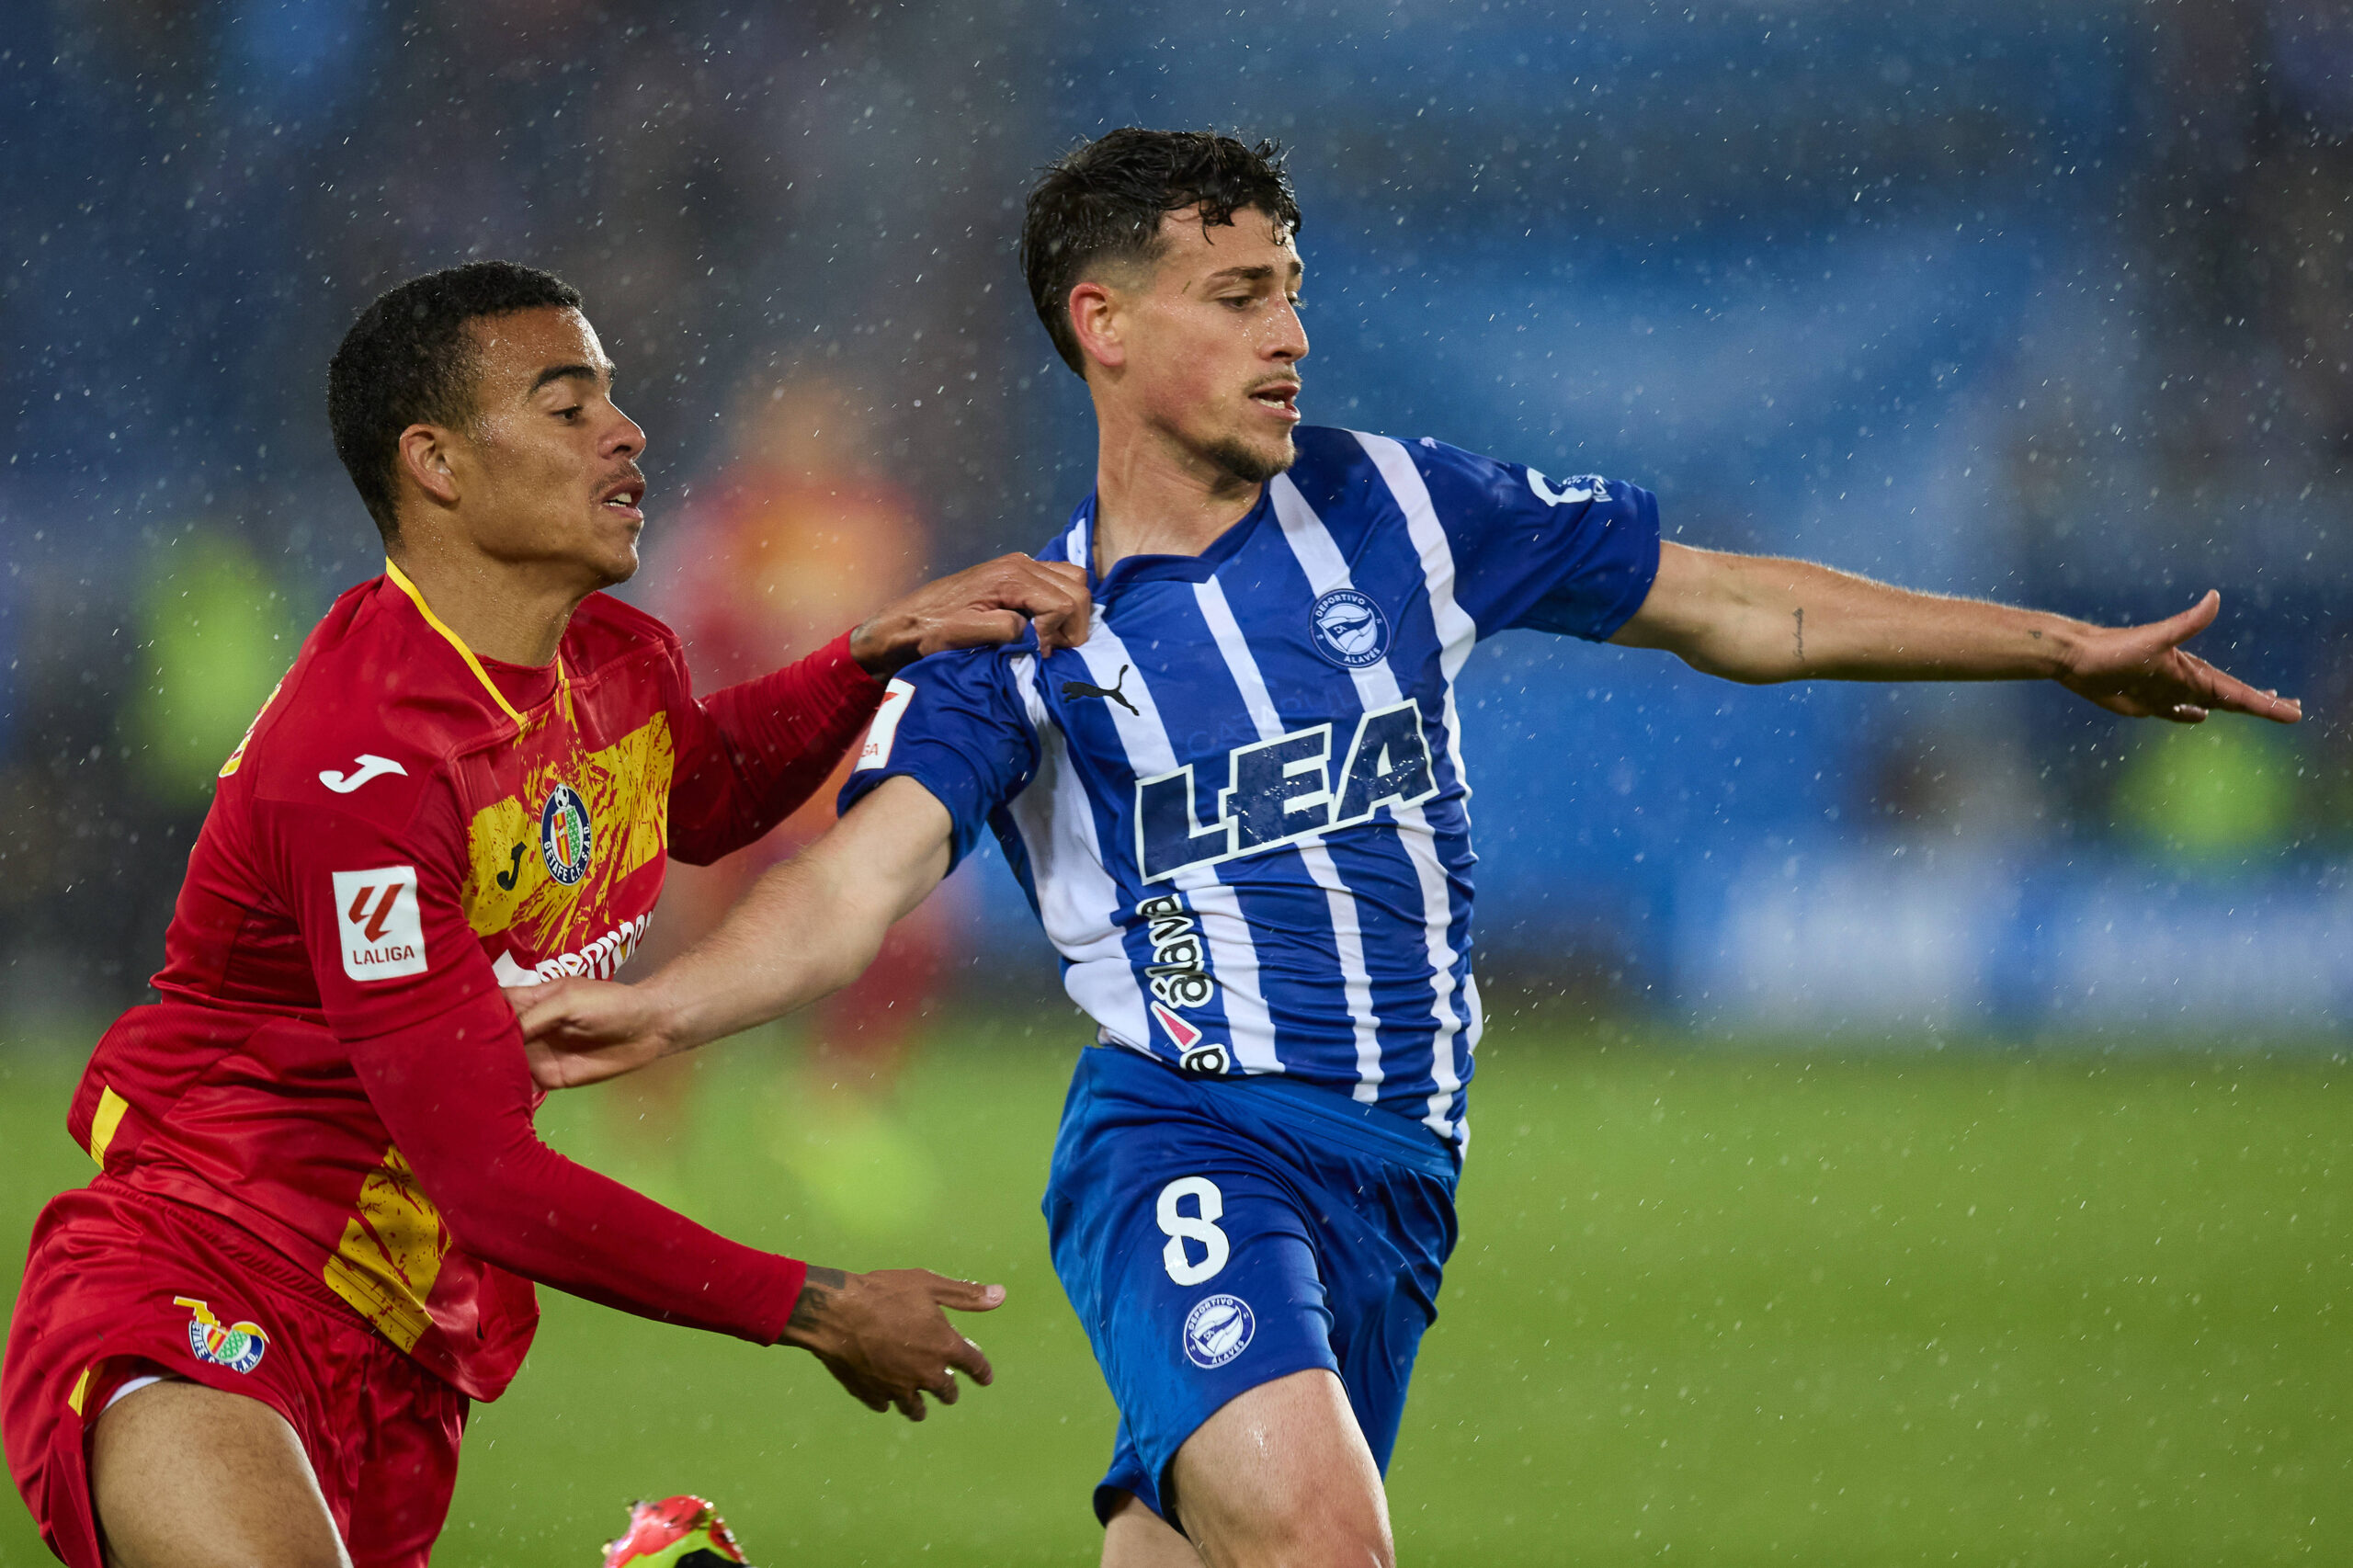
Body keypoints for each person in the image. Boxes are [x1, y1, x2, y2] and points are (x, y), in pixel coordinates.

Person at [511, 133, 2302, 1568]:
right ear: (1104, 325)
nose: (1291, 331)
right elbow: (852, 878)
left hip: (1397, 1180)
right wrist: (680, 1006)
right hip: (1191, 1139)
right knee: (1319, 1542)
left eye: (1294, 291)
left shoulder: (1403, 508)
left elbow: (1744, 606)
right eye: (1238, 296)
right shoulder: (1029, 634)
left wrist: (2057, 646)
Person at [0, 260, 1092, 1568]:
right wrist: (820, 1305)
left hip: (411, 1342)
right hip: (205, 1274)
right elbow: (489, 1178)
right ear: (439, 464)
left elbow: (702, 790)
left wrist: (875, 650)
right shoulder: (361, 763)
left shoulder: (616, 664)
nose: (626, 433)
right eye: (569, 407)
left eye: (616, 401)